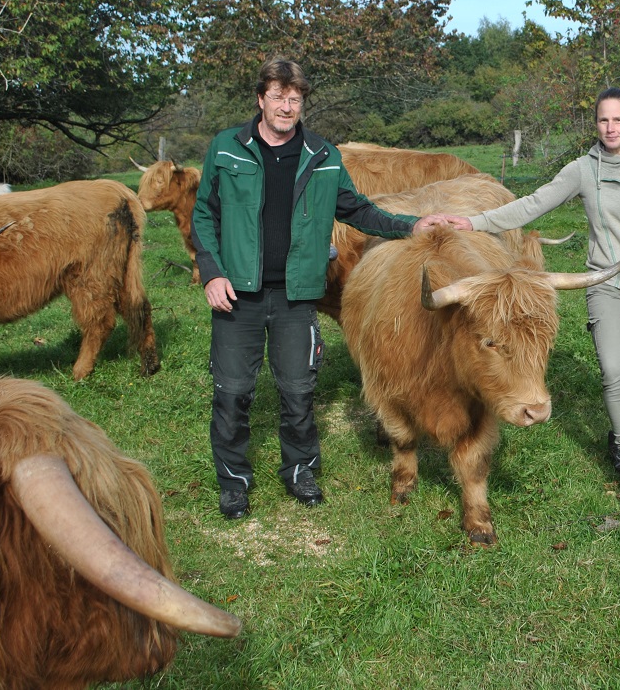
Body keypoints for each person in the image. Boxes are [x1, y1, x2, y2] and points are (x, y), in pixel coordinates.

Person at [191, 58, 467, 519]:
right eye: (277, 97)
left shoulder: (320, 155)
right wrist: (212, 271)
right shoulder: (226, 149)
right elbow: (204, 214)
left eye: (294, 99)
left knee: (299, 390)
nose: (286, 106)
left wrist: (413, 225)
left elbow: (357, 210)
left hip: (298, 294)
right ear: (261, 99)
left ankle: (300, 472)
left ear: (302, 104)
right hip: (236, 294)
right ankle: (234, 482)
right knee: (233, 392)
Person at [455, 87, 620, 507]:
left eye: (618, 120)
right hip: (606, 286)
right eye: (603, 120)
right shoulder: (584, 169)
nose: (610, 128)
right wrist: (473, 222)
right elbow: (531, 205)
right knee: (614, 371)